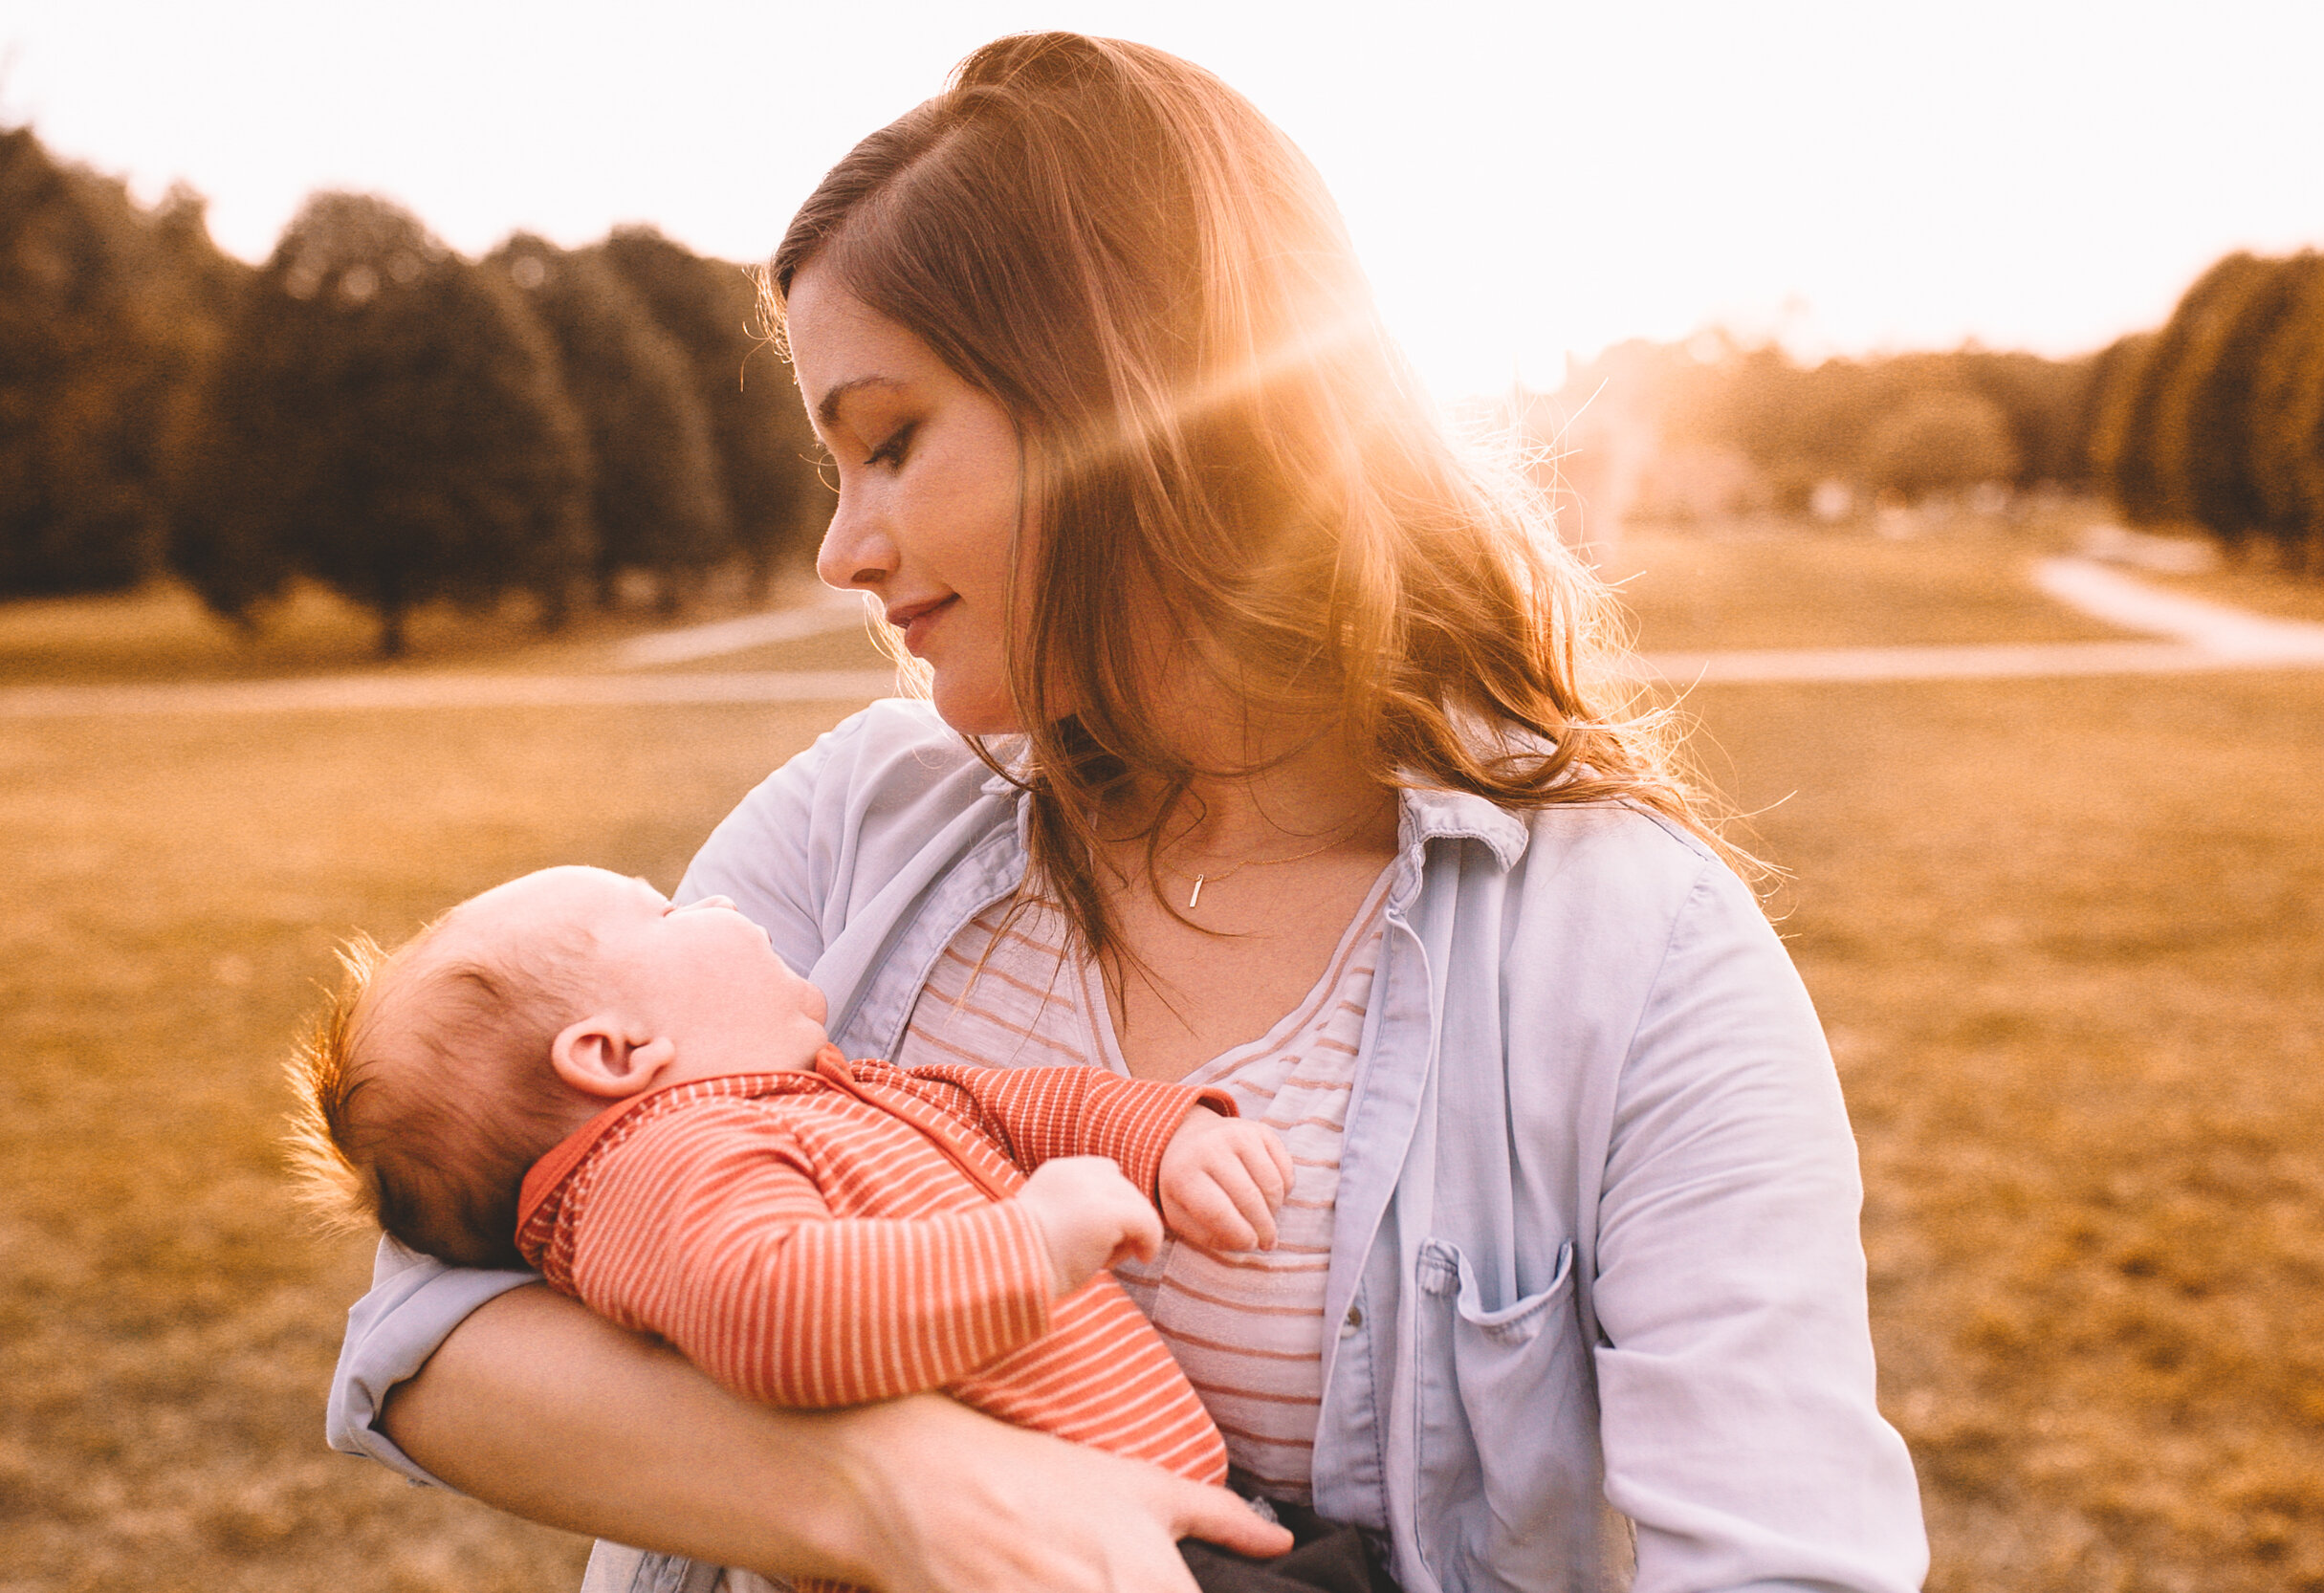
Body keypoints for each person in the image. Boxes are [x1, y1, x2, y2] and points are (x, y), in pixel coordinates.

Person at [328, 31, 1930, 1593]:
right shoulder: (857, 826)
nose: (844, 549)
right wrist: (892, 1494)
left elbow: (1790, 1561)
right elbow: (421, 1336)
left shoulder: (1636, 952)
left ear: (1141, 406)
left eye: (889, 443)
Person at [294, 862, 1340, 1591]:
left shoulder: (813, 1098)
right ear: (613, 1054)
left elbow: (999, 1104)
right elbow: (775, 1310)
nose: (716, 901)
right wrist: (1030, 1242)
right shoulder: (658, 1169)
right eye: (667, 909)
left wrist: (1162, 1138)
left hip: (1177, 1522)